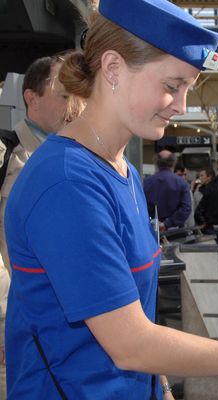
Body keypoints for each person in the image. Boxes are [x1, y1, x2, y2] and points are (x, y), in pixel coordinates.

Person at [4, 1, 218, 399]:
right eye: (171, 86)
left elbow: (136, 308)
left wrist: (159, 383)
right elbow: (130, 344)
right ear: (112, 68)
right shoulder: (67, 184)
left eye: (188, 89)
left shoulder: (118, 170)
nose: (182, 106)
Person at [0, 53, 84, 395]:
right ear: (31, 98)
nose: (73, 106)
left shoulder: (80, 160)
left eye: (78, 96)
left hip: (71, 324)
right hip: (14, 319)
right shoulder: (9, 155)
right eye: (63, 95)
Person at [144, 149, 192, 231]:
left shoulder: (147, 182)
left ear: (156, 162)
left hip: (152, 229)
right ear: (174, 163)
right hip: (175, 231)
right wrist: (167, 223)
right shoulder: (181, 183)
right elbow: (186, 208)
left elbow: (142, 206)